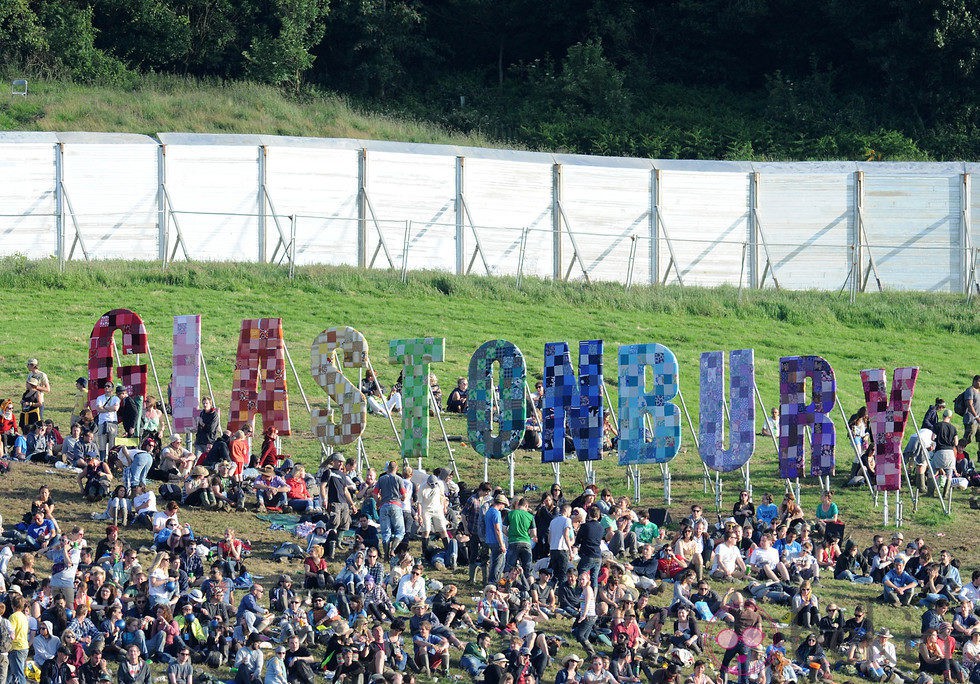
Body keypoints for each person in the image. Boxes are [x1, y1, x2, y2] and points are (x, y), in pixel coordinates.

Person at [932, 409, 958, 498]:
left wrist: (937, 440)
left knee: (932, 471)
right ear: (950, 417)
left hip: (940, 451)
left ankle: (930, 492)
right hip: (950, 453)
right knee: (949, 474)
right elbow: (956, 443)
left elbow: (932, 438)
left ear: (943, 416)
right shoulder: (953, 428)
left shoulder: (937, 425)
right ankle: (945, 494)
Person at [961, 376, 980, 460]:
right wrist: (976, 416)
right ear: (975, 381)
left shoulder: (978, 391)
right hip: (971, 420)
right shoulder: (970, 390)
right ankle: (958, 453)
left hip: (978, 421)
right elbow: (969, 404)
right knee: (967, 439)